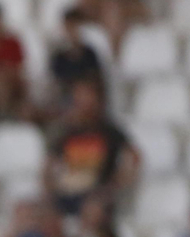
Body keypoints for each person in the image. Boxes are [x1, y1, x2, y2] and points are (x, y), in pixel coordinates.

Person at [44, 79, 139, 218]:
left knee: (93, 211)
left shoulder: (109, 131)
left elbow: (134, 157)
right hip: (67, 191)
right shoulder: (67, 131)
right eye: (79, 96)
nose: (83, 102)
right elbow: (49, 163)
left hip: (96, 195)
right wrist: (51, 186)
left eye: (87, 96)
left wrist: (115, 185)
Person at [47, 7, 106, 117]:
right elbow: (55, 84)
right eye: (69, 27)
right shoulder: (58, 57)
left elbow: (96, 80)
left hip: (87, 102)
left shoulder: (90, 54)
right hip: (65, 103)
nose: (72, 31)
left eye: (75, 27)